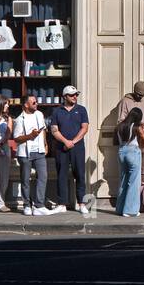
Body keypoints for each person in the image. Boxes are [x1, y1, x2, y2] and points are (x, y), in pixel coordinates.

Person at [49, 85, 90, 216]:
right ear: (65, 96)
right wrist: (65, 142)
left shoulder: (81, 110)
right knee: (62, 174)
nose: (75, 97)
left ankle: (81, 204)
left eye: (76, 95)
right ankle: (62, 204)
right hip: (61, 147)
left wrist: (72, 142)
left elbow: (84, 128)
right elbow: (54, 130)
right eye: (72, 95)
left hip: (77, 147)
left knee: (80, 174)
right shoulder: (57, 111)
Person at [12, 93, 50, 216]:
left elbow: (43, 129)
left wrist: (45, 143)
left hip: (39, 151)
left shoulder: (39, 114)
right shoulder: (19, 120)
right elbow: (16, 139)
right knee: (25, 179)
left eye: (36, 101)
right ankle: (27, 205)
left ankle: (39, 205)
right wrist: (30, 136)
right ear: (26, 105)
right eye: (33, 102)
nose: (36, 104)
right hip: (25, 153)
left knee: (43, 176)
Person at [114, 107, 144, 217]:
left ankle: (120, 209)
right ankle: (130, 210)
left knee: (123, 180)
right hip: (133, 152)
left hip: (121, 152)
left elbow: (115, 142)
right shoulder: (136, 127)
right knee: (134, 182)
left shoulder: (119, 126)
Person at [116, 81, 144, 176]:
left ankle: (142, 187)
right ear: (134, 91)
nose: (140, 97)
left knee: (143, 165)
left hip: (143, 137)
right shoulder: (125, 101)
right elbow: (121, 121)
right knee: (130, 169)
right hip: (130, 139)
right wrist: (136, 124)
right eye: (139, 94)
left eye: (143, 95)